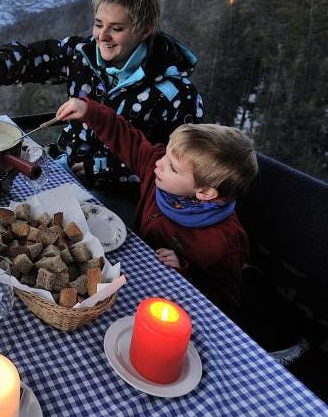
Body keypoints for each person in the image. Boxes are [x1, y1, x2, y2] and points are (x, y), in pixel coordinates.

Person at [0, 0, 202, 224]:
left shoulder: (176, 93)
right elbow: (35, 57)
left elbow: (180, 166)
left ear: (145, 30)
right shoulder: (82, 55)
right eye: (98, 24)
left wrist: (103, 168)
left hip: (122, 193)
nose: (102, 36)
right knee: (9, 211)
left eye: (117, 28)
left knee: (78, 234)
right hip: (65, 167)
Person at [54, 96, 257, 316]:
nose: (159, 162)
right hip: (132, 271)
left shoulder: (224, 241)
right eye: (166, 153)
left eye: (172, 167)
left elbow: (226, 302)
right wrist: (89, 111)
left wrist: (183, 270)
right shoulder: (158, 169)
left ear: (205, 192)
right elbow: (128, 138)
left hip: (169, 304)